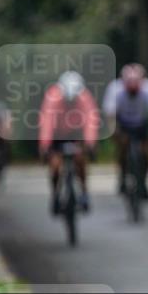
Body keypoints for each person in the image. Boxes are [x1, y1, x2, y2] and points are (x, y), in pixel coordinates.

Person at [38, 71, 100, 214]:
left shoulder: (84, 97)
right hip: (57, 134)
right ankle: (55, 194)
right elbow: (47, 123)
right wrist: (45, 145)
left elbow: (91, 121)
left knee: (80, 161)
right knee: (55, 166)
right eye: (67, 100)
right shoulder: (53, 97)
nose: (70, 103)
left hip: (76, 134)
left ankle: (84, 192)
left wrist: (91, 143)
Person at [103, 63, 148, 199]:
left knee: (146, 152)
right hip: (123, 123)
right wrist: (113, 129)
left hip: (142, 123)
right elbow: (110, 113)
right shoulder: (115, 88)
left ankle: (144, 182)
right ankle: (122, 175)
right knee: (122, 147)